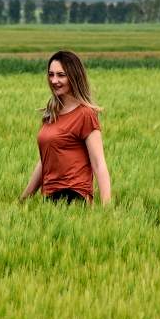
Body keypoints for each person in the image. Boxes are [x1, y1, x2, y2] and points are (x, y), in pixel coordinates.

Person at [19, 50, 111, 206]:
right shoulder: (51, 114)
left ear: (74, 77)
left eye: (61, 75)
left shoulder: (85, 114)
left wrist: (106, 208)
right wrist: (23, 200)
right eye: (51, 74)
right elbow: (45, 161)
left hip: (74, 197)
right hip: (50, 197)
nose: (54, 80)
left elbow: (99, 163)